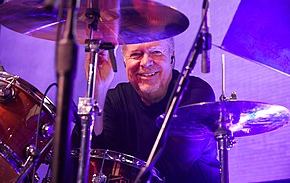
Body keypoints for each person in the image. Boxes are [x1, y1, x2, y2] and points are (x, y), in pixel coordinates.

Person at [72, 37, 220, 183]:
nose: (145, 62)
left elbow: (168, 170)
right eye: (136, 54)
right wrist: (98, 89)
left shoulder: (195, 94)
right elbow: (86, 162)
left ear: (171, 57)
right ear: (124, 62)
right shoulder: (114, 100)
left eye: (156, 52)